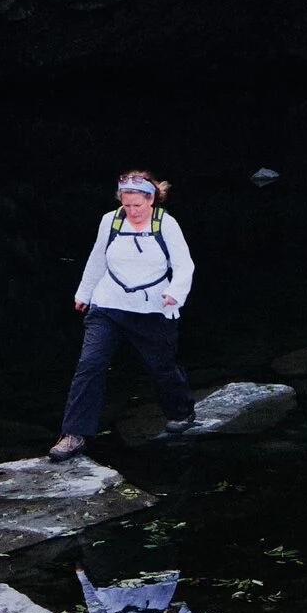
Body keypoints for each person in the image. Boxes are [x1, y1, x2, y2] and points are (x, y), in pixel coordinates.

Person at [49, 170, 196, 461]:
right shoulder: (111, 221)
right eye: (126, 205)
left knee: (162, 367)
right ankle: (73, 435)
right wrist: (84, 293)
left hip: (152, 308)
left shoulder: (166, 224)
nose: (132, 211)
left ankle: (182, 412)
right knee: (90, 364)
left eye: (137, 206)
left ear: (151, 200)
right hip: (108, 305)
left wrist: (175, 293)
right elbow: (97, 258)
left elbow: (184, 265)